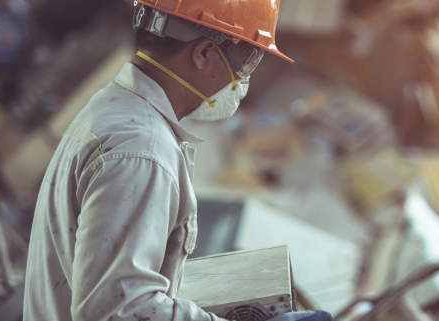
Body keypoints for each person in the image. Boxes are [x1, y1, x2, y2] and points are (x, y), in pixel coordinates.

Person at [22, 1, 329, 320]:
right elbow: (118, 310)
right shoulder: (143, 151)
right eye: (246, 62)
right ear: (204, 52)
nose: (243, 79)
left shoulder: (111, 108)